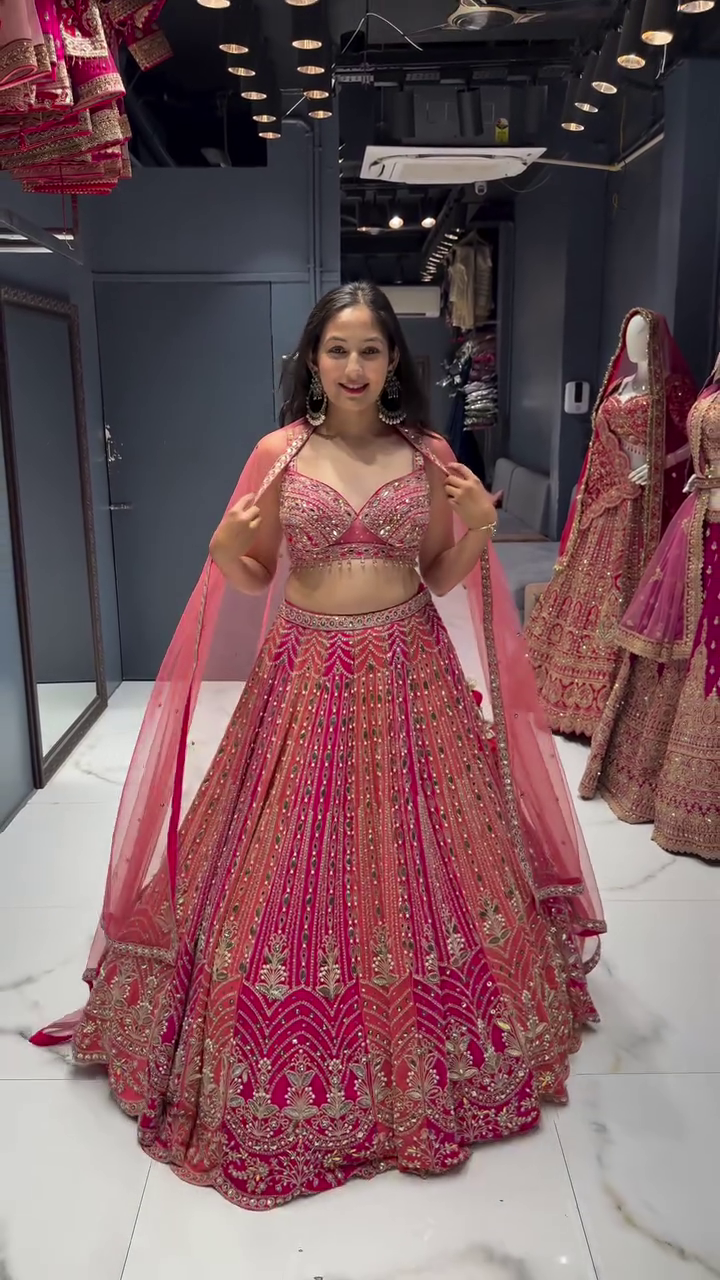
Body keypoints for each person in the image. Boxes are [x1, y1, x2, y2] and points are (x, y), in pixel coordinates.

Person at [33, 283, 604, 1210]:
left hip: (410, 667)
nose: (353, 367)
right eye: (337, 349)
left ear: (394, 361)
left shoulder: (426, 454)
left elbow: (438, 573)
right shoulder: (280, 453)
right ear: (312, 359)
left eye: (370, 350)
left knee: (424, 853)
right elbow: (252, 574)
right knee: (285, 851)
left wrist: (482, 526)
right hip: (304, 671)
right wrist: (225, 545)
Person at [525, 309, 695, 738]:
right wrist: (604, 484)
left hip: (646, 506)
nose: (635, 345)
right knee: (588, 586)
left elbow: (693, 444)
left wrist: (659, 465)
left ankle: (619, 704)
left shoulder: (673, 389)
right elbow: (600, 444)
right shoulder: (618, 387)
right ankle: (565, 691)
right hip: (610, 501)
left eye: (643, 337)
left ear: (657, 341)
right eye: (629, 337)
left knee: (629, 588)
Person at [579, 368, 720, 859]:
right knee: (676, 650)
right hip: (697, 520)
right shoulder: (712, 376)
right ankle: (658, 783)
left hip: (711, 520)